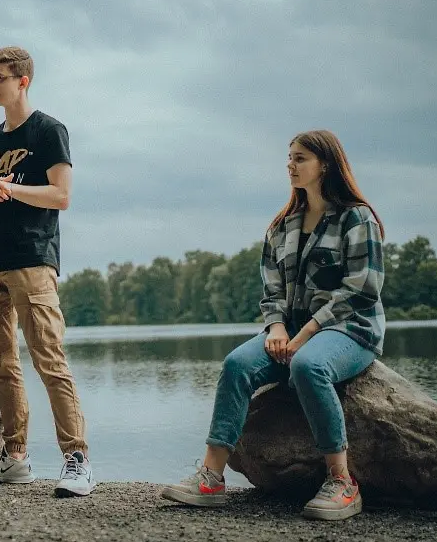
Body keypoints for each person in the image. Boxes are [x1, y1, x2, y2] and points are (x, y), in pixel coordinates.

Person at [161, 130, 386, 521]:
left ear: (326, 164)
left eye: (300, 158)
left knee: (308, 365)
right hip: (291, 330)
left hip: (351, 330)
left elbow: (362, 290)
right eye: (289, 157)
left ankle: (342, 483)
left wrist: (304, 335)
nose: (290, 165)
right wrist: (277, 328)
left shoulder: (356, 217)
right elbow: (271, 291)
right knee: (236, 364)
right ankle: (211, 477)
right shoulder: (282, 225)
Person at [0, 46, 94, 497]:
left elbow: (61, 196)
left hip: (32, 260)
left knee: (49, 361)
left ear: (23, 81)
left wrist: (10, 191)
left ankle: (77, 461)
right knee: (2, 364)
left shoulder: (48, 130)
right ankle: (14, 458)